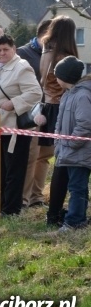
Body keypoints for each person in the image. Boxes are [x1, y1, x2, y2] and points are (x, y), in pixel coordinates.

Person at [0, 34, 42, 215]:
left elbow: (35, 92)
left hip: (14, 128)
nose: (2, 53)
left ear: (14, 49)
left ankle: (11, 209)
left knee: (14, 169)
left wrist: (14, 103)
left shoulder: (22, 67)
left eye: (6, 49)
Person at [37, 17, 81, 226]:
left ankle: (54, 210)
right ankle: (54, 213)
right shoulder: (64, 55)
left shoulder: (47, 49)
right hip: (62, 105)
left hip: (48, 103)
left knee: (58, 161)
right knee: (63, 163)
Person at [51, 56, 91, 231]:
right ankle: (78, 217)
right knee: (76, 187)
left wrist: (70, 143)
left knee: (77, 187)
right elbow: (60, 121)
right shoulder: (68, 94)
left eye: (57, 75)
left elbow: (85, 124)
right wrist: (58, 140)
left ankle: (74, 221)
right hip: (68, 150)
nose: (56, 79)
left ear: (65, 77)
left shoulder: (82, 95)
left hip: (79, 151)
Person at [19, 19, 51, 207]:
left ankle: (36, 197)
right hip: (31, 112)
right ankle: (23, 197)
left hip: (51, 109)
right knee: (31, 156)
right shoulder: (23, 53)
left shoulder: (56, 54)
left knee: (45, 155)